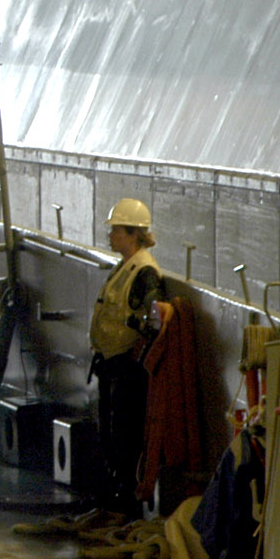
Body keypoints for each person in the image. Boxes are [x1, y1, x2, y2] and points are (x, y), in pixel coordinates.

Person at [89, 198, 166, 515]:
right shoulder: (125, 267)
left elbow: (154, 318)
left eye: (116, 230)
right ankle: (117, 494)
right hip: (111, 363)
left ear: (133, 233)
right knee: (109, 432)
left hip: (126, 368)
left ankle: (128, 501)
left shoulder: (144, 272)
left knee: (125, 435)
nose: (110, 235)